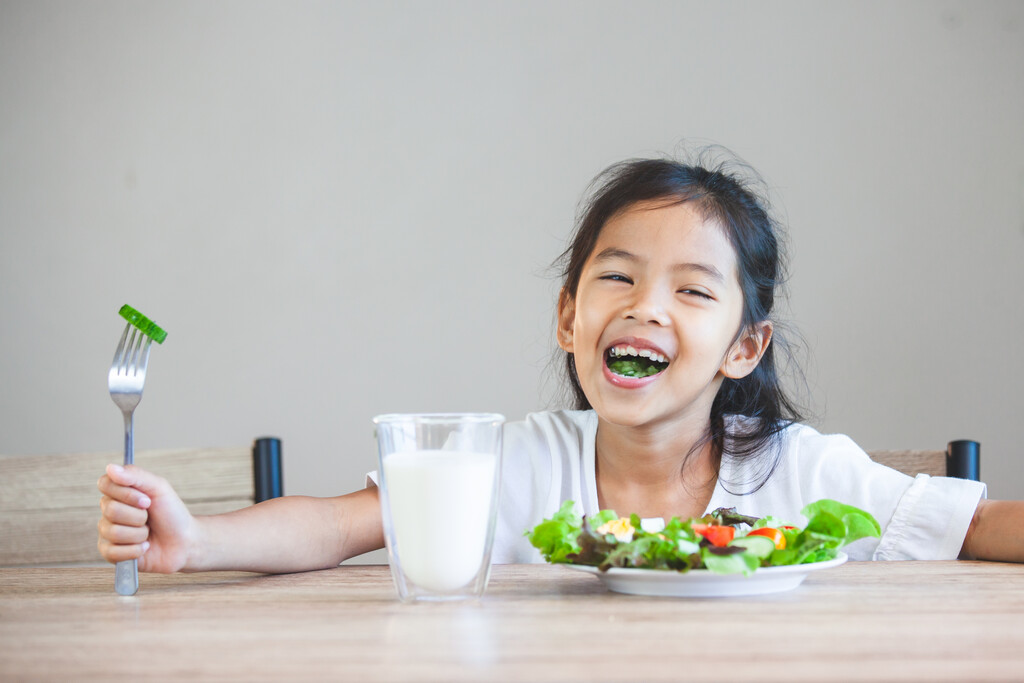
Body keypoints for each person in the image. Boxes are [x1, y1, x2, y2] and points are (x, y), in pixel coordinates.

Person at [97, 154, 1024, 573]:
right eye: (616, 276)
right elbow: (338, 526)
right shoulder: (511, 463)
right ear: (570, 317)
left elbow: (978, 526)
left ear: (745, 347)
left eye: (694, 291)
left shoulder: (804, 470)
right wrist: (201, 537)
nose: (646, 305)